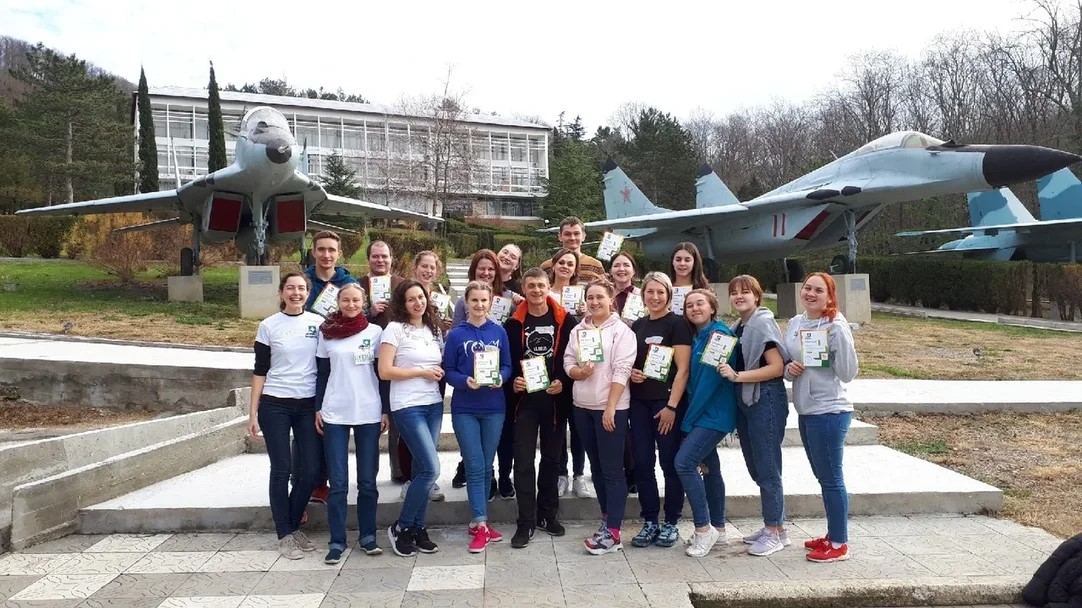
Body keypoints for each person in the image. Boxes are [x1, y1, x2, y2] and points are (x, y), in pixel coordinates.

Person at [782, 272, 858, 563]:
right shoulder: (795, 323)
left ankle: (839, 543)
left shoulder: (835, 325)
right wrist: (790, 370)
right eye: (807, 288)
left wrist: (833, 345)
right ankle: (831, 533)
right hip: (806, 410)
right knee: (823, 476)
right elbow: (787, 364)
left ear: (829, 296)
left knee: (831, 478)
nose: (811, 294)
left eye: (818, 290)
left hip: (830, 411)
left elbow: (848, 373)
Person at [248, 272, 323, 560]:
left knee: (311, 471)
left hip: (307, 405)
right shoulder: (268, 326)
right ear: (281, 292)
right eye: (290, 288)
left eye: (301, 288)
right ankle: (284, 534)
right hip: (274, 404)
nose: (296, 293)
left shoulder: (318, 324)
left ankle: (291, 526)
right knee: (281, 469)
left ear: (308, 292)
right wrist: (252, 413)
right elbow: (260, 371)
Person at [716, 275, 791, 557]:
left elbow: (776, 367)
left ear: (757, 296)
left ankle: (773, 532)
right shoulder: (739, 326)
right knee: (757, 466)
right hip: (747, 399)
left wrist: (738, 376)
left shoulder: (761, 323)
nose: (739, 296)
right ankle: (776, 526)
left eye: (745, 292)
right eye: (734, 292)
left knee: (768, 467)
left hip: (765, 398)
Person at [563, 279, 637, 555]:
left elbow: (622, 370)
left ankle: (614, 532)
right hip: (582, 406)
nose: (594, 302)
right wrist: (577, 372)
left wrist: (611, 407)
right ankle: (607, 519)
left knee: (612, 470)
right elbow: (568, 361)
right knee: (596, 468)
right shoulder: (578, 330)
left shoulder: (621, 331)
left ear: (611, 300)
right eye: (590, 298)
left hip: (611, 408)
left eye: (599, 297)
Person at [314, 283, 385, 563]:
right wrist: (318, 407)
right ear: (338, 302)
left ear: (363, 302)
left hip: (368, 411)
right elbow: (322, 373)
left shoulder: (375, 332)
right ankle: (337, 540)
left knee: (367, 481)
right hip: (335, 411)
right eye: (346, 300)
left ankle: (368, 536)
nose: (351, 304)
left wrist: (385, 410)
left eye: (356, 300)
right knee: (339, 482)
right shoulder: (326, 332)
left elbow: (382, 374)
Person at [503, 268, 574, 548]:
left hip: (554, 403)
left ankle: (547, 514)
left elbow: (573, 358)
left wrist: (563, 381)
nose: (536, 290)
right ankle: (526, 521)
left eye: (541, 285)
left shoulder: (565, 320)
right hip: (524, 404)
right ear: (524, 288)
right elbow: (506, 362)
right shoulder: (513, 323)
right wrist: (513, 381)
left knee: (551, 460)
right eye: (531, 285)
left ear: (548, 287)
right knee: (522, 462)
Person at [443, 280, 513, 553]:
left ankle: (479, 521)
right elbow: (448, 370)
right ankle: (481, 522)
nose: (480, 305)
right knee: (474, 464)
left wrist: (501, 377)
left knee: (485, 464)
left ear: (491, 302)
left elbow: (507, 365)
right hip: (465, 408)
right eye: (475, 300)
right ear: (466, 302)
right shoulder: (456, 335)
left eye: (484, 300)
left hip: (494, 407)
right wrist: (465, 381)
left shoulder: (499, 331)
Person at [379, 280, 445, 557]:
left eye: (421, 297)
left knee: (421, 471)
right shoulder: (394, 329)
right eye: (411, 299)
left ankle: (418, 528)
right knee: (431, 469)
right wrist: (421, 372)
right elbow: (385, 371)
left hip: (433, 404)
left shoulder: (433, 329)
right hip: (408, 406)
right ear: (402, 303)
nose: (418, 303)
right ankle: (401, 526)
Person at [627, 271, 691, 548]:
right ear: (643, 295)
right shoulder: (638, 325)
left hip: (665, 404)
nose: (654, 297)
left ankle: (672, 521)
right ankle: (650, 519)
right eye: (650, 292)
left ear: (668, 295)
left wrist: (671, 406)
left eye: (660, 292)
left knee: (669, 463)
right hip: (639, 403)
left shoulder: (678, 324)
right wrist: (633, 373)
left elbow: (683, 369)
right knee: (642, 463)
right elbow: (632, 362)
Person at [676, 288, 738, 558]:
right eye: (689, 305)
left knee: (684, 463)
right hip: (703, 413)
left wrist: (687, 423)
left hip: (714, 414)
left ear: (712, 308)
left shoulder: (719, 335)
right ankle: (719, 528)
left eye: (700, 303)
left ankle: (704, 528)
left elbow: (709, 384)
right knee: (711, 469)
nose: (694, 308)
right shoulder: (698, 336)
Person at [449, 249, 515, 497]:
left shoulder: (508, 297)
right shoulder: (463, 305)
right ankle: (479, 477)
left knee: (496, 441)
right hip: (470, 383)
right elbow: (456, 338)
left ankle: (498, 478)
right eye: (481, 268)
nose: (486, 272)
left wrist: (501, 375)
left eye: (490, 269)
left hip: (496, 383)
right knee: (475, 449)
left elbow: (507, 350)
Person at [300, 230, 357, 506]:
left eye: (331, 250)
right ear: (313, 251)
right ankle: (307, 484)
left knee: (331, 425)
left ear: (338, 253)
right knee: (308, 429)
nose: (326, 255)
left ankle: (330, 481)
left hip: (337, 362)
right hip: (306, 361)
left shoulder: (348, 283)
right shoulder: (303, 282)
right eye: (321, 249)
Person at [359, 240, 411, 486]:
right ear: (368, 259)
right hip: (364, 360)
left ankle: (398, 469)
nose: (380, 260)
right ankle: (367, 474)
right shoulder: (358, 285)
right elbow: (346, 315)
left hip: (396, 359)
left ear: (392, 259)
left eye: (384, 256)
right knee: (370, 417)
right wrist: (369, 312)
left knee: (396, 414)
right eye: (375, 256)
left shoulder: (401, 285)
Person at [548, 248, 589, 498]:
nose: (565, 266)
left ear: (575, 269)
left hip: (578, 366)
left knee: (578, 426)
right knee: (558, 425)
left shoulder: (583, 296)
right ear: (553, 265)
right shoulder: (545, 293)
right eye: (561, 262)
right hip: (553, 369)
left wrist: (586, 312)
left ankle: (579, 475)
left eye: (570, 263)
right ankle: (561, 473)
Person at [539, 216, 605, 283]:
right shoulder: (547, 266)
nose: (572, 238)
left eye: (576, 234)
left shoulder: (595, 266)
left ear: (583, 236)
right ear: (560, 236)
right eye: (567, 234)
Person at [670, 242, 710, 317]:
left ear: (694, 263)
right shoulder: (664, 289)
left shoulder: (704, 289)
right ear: (673, 262)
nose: (682, 263)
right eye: (678, 260)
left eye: (687, 260)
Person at [609, 251, 640, 318]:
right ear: (610, 271)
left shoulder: (642, 295)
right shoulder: (604, 295)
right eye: (616, 265)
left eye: (626, 265)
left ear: (634, 271)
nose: (621, 269)